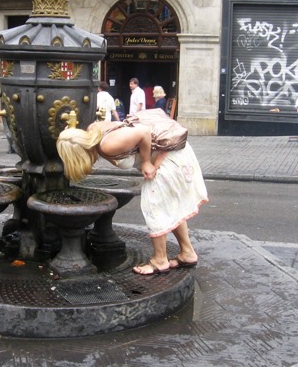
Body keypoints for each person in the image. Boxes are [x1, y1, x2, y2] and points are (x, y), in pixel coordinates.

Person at [56, 110, 208, 276]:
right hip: (172, 152)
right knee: (170, 207)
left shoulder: (107, 145)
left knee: (155, 207)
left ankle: (160, 260)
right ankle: (187, 253)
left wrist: (146, 162)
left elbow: (143, 132)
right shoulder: (93, 129)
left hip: (168, 158)